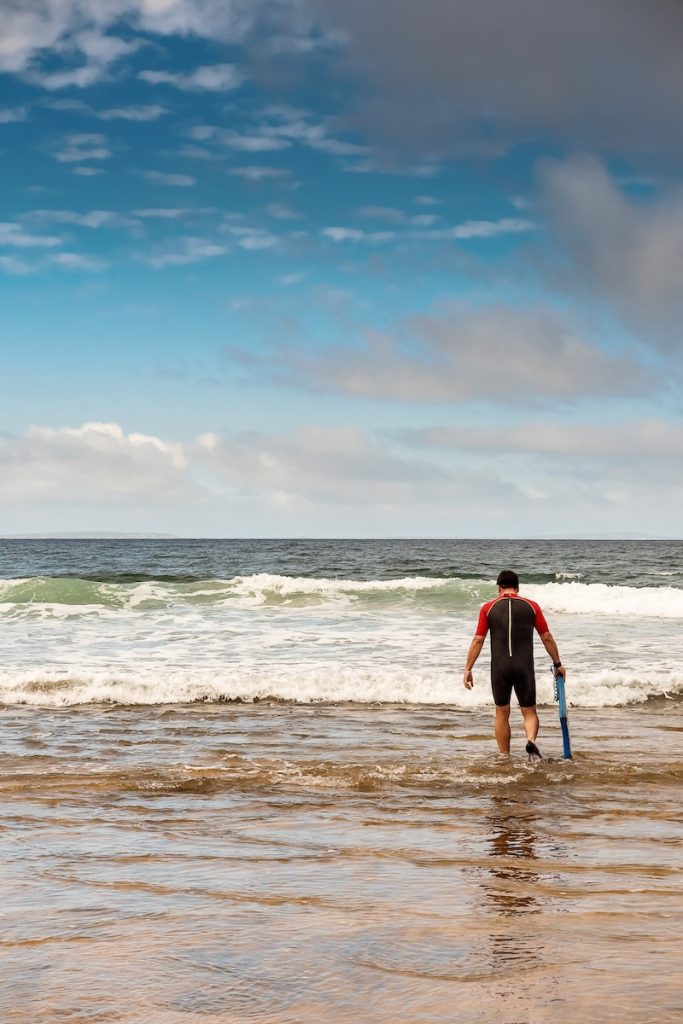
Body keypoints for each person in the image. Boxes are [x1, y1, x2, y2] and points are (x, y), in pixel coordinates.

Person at [463, 569, 565, 758]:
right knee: (529, 711)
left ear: (498, 587)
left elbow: (478, 640)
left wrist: (468, 668)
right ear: (518, 587)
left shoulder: (488, 608)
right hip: (524, 667)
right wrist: (557, 663)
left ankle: (504, 757)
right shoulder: (532, 606)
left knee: (502, 712)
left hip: (500, 668)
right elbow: (547, 637)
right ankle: (531, 741)